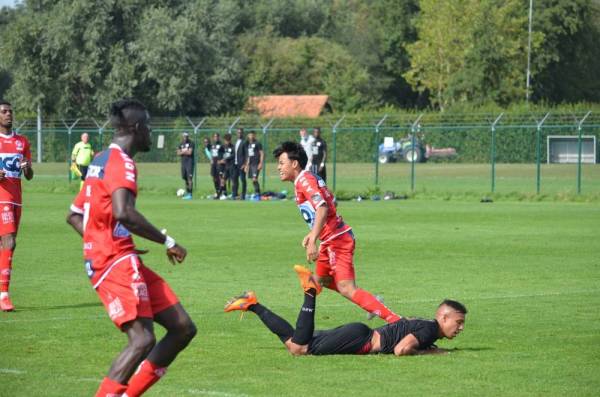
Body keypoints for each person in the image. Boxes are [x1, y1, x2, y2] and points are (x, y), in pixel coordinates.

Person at [66, 99, 196, 397]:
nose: (151, 132)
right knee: (141, 340)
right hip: (113, 262)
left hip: (117, 256)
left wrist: (102, 239)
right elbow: (124, 212)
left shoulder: (100, 159)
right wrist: (168, 241)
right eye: (148, 126)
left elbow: (74, 215)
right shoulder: (122, 162)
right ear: (136, 129)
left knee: (182, 327)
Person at [273, 141, 400, 323]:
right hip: (330, 239)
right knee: (320, 281)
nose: (278, 167)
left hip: (336, 240)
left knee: (346, 288)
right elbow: (332, 202)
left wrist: (312, 240)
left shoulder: (304, 180)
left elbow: (323, 208)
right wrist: (313, 233)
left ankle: (398, 321)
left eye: (281, 163)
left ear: (294, 164)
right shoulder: (309, 178)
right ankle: (371, 302)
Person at [225, 266, 467, 356]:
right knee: (299, 348)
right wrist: (432, 353)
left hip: (360, 334)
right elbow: (402, 350)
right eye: (458, 322)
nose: (460, 328)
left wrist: (432, 347)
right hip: (361, 340)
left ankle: (252, 304)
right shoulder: (429, 329)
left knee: (296, 341)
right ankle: (310, 291)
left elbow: (408, 336)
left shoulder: (428, 327)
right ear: (443, 317)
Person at [0, 100, 34, 312]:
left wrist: (27, 168)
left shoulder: (22, 142)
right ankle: (4, 295)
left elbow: (29, 176)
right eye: (4, 112)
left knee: (7, 244)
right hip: (1, 197)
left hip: (16, 198)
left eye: (10, 111)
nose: (8, 114)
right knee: (9, 240)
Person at [243, 131, 263, 198]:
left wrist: (261, 163)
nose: (251, 136)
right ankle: (257, 192)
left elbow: (262, 153)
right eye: (249, 135)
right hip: (251, 164)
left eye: (252, 135)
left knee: (255, 179)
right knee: (253, 179)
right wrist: (246, 165)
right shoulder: (248, 144)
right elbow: (249, 156)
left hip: (256, 163)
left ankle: (258, 193)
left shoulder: (257, 143)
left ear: (254, 136)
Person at [176, 132, 195, 200]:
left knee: (189, 178)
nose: (185, 138)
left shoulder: (191, 143)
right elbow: (178, 153)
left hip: (189, 163)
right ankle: (187, 192)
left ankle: (190, 194)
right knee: (185, 178)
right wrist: (185, 151)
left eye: (186, 136)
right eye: (184, 136)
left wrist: (182, 152)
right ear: (182, 136)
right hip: (183, 163)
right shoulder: (180, 144)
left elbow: (190, 152)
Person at [231, 128, 247, 200]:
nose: (239, 134)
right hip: (235, 164)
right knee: (234, 179)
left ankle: (243, 195)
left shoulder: (244, 142)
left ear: (243, 133)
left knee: (242, 180)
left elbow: (247, 154)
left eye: (240, 133)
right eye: (238, 132)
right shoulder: (236, 142)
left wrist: (245, 164)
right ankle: (234, 195)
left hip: (241, 164)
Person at [207, 133, 224, 199]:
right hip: (213, 163)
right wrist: (211, 159)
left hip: (219, 163)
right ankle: (217, 192)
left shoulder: (221, 145)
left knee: (220, 178)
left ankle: (221, 193)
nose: (216, 138)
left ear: (219, 137)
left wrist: (222, 160)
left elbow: (224, 153)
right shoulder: (212, 145)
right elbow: (210, 152)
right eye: (214, 136)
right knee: (214, 178)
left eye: (217, 136)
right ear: (213, 138)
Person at [221, 133, 234, 199]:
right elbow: (220, 154)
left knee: (232, 180)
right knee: (223, 180)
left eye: (228, 140)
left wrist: (226, 158)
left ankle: (233, 193)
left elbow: (233, 155)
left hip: (231, 166)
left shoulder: (233, 147)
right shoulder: (223, 147)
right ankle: (224, 193)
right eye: (226, 140)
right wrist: (221, 160)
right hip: (225, 166)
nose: (227, 141)